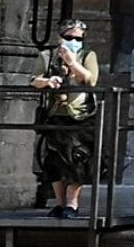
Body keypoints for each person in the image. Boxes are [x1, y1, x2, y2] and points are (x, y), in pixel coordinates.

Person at [31, 18, 101, 219]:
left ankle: (72, 203)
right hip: (55, 114)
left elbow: (90, 79)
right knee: (54, 160)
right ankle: (60, 203)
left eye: (77, 38)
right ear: (59, 37)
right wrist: (47, 81)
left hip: (80, 114)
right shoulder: (47, 56)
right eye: (68, 37)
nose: (73, 41)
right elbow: (34, 79)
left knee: (77, 158)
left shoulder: (87, 55)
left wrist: (72, 63)